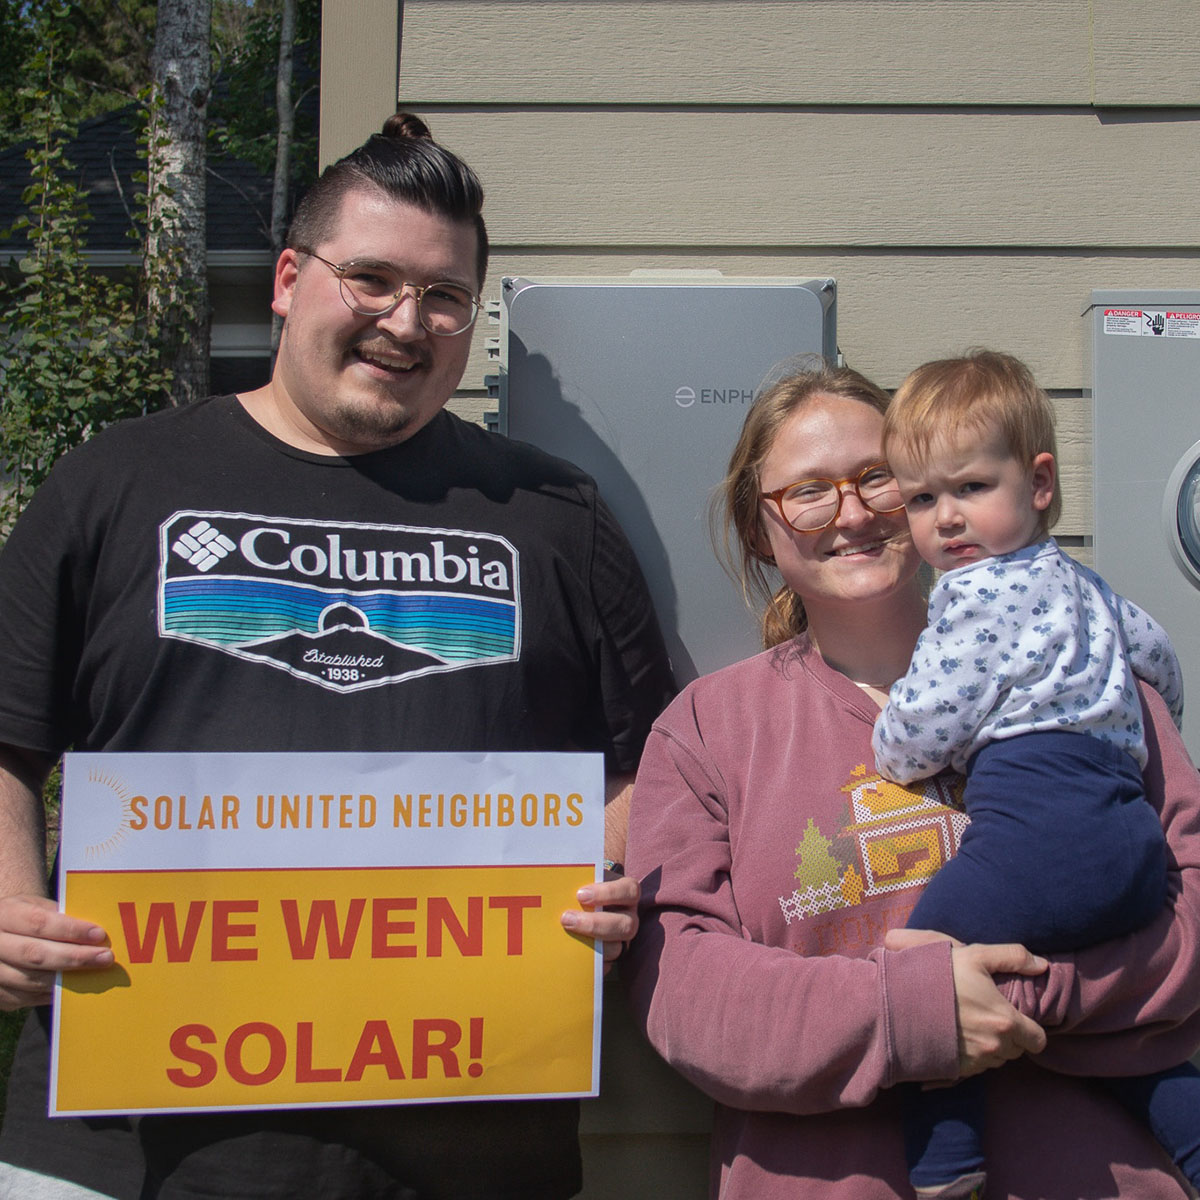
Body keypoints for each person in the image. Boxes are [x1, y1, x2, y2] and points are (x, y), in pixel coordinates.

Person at [0, 112, 674, 1200]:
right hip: (129, 1134)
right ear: (285, 280)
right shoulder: (116, 483)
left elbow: (661, 755)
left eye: (445, 296)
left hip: (471, 1137)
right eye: (371, 279)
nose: (407, 322)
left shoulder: (553, 513)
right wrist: (8, 900)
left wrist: (597, 873)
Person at [623, 357, 1200, 1199]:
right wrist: (911, 1017)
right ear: (760, 528)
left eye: (880, 480)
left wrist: (1013, 1003)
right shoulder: (708, 730)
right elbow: (688, 998)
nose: (852, 513)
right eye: (808, 492)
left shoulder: (1085, 666)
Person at [873, 349, 1200, 1198]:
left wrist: (890, 748)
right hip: (1126, 834)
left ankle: (946, 1159)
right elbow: (1157, 657)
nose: (946, 518)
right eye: (920, 498)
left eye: (970, 487)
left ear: (1040, 482)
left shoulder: (975, 595)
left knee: (925, 967)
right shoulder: (1082, 585)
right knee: (1123, 1037)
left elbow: (929, 723)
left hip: (1040, 819)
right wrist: (1133, 711)